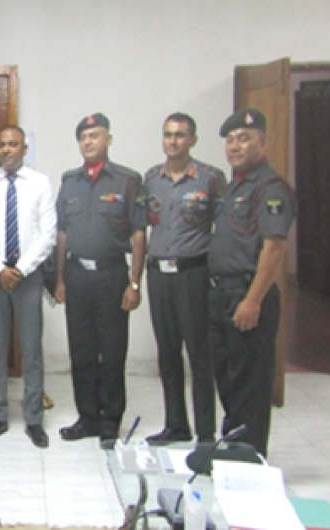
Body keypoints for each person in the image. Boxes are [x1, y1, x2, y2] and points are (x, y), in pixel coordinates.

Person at [54, 113, 147, 449]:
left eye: (95, 135)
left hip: (112, 276)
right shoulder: (69, 181)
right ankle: (88, 417)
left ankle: (111, 421)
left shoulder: (127, 180)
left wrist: (134, 282)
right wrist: (60, 278)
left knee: (111, 351)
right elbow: (62, 233)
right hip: (77, 276)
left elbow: (138, 234)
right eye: (83, 137)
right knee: (81, 352)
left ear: (109, 138)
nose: (89, 142)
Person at [208, 108, 295, 457]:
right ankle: (233, 447)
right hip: (222, 294)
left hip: (247, 294)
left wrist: (253, 300)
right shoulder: (235, 187)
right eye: (230, 140)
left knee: (251, 383)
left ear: (263, 141)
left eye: (244, 138)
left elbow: (274, 247)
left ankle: (249, 456)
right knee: (229, 378)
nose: (235, 146)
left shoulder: (271, 189)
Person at [0, 125, 56, 447]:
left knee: (31, 350)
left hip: (28, 278)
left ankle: (34, 419)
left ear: (24, 148)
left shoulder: (40, 183)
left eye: (13, 144)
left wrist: (18, 269)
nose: (7, 150)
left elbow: (48, 233)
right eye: (2, 144)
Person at [143, 113, 225, 445]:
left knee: (199, 355)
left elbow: (225, 230)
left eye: (180, 135)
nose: (173, 141)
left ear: (193, 140)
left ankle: (206, 432)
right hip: (159, 275)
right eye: (168, 135)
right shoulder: (151, 179)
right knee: (167, 353)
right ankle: (176, 424)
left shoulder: (210, 178)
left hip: (193, 274)